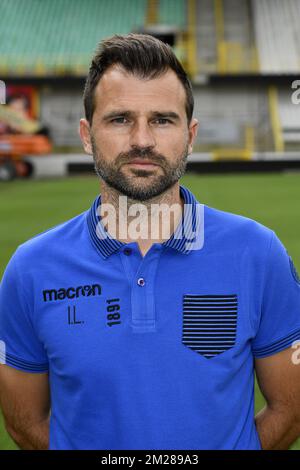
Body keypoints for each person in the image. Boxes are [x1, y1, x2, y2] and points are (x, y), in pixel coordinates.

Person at [0, 33, 300, 451]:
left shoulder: (259, 253)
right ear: (87, 135)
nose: (142, 140)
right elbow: (23, 420)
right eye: (120, 119)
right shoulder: (30, 269)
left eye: (162, 120)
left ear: (190, 135)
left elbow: (291, 408)